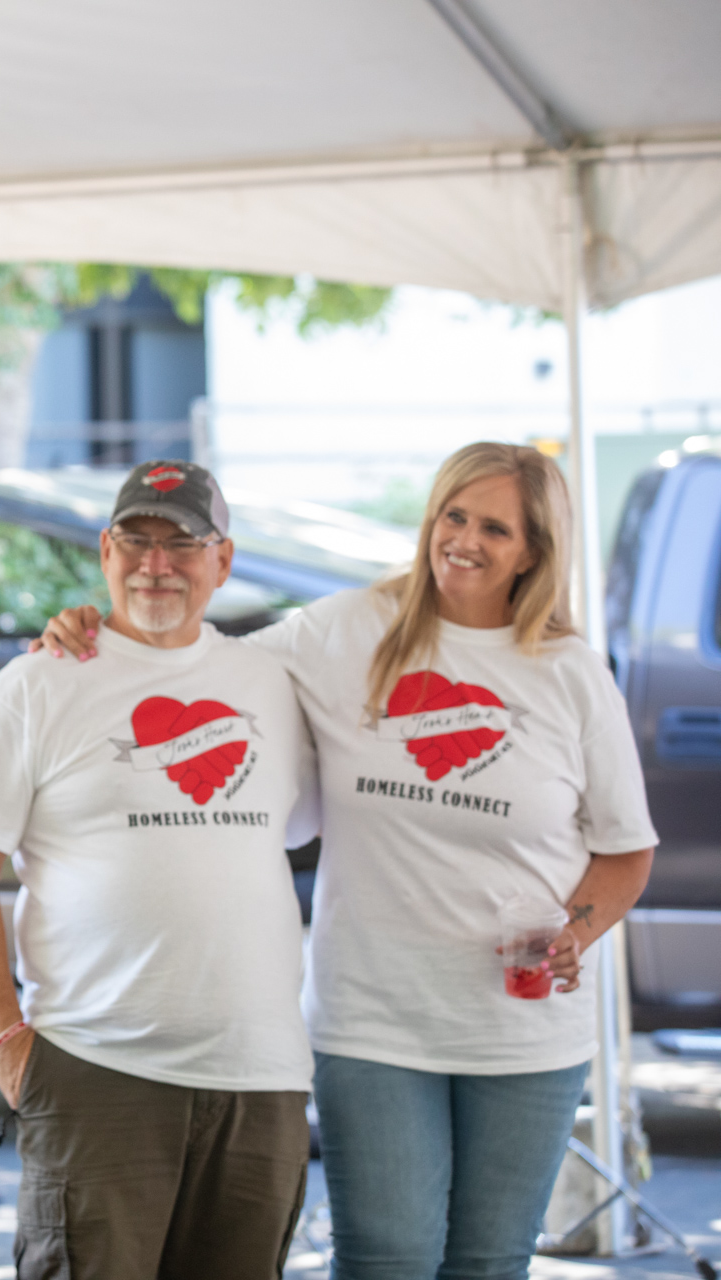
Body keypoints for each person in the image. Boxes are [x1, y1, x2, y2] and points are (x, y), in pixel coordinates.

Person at [36, 443, 657, 1279]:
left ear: (534, 551)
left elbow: (626, 850)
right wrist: (97, 631)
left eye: (495, 528)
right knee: (385, 1259)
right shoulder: (346, 631)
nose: (464, 541)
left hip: (524, 1034)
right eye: (453, 516)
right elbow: (204, 657)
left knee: (489, 1263)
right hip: (372, 1020)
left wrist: (576, 931)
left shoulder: (573, 674)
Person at [0, 460, 319, 1279]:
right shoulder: (35, 685)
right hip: (97, 1071)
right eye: (136, 540)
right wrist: (6, 1039)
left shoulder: (277, 682)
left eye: (181, 542)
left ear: (223, 559)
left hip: (262, 1077)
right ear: (105, 550)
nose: (156, 564)